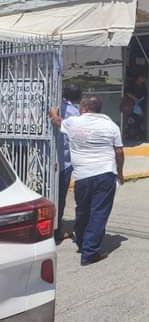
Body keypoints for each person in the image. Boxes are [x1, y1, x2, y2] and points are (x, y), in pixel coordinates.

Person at [49, 95, 124, 266]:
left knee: (82, 210)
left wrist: (53, 112)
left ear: (83, 107)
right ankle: (90, 252)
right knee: (98, 212)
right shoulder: (111, 125)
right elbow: (119, 151)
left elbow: (57, 121)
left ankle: (83, 244)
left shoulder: (73, 122)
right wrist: (120, 173)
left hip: (82, 176)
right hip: (105, 174)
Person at [51, 83, 82, 243]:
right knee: (60, 197)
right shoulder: (74, 112)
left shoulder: (55, 107)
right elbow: (73, 132)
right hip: (64, 162)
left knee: (47, 196)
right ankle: (56, 231)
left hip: (48, 159)